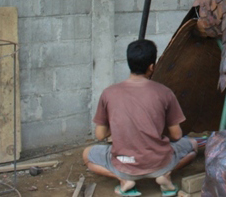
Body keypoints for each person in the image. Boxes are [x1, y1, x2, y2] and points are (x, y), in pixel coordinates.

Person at [83, 40, 197, 197]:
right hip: (159, 162)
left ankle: (123, 179)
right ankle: (165, 175)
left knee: (87, 154)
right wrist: (156, 128)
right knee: (193, 145)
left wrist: (118, 125)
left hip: (124, 162)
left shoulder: (109, 93)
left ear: (129, 62)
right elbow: (177, 135)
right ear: (151, 67)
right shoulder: (165, 92)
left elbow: (100, 135)